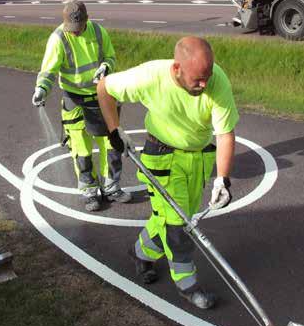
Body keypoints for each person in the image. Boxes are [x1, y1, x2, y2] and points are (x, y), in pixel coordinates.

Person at [97, 36, 239, 309]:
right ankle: (188, 285)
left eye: (207, 76)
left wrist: (222, 178)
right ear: (177, 69)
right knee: (178, 225)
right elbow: (104, 88)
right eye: (198, 79)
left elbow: (224, 133)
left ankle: (139, 253)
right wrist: (115, 130)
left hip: (197, 157)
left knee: (172, 218)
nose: (204, 84)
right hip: (161, 156)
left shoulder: (216, 81)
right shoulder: (150, 76)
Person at [33, 0, 131, 211]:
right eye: (72, 29)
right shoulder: (58, 38)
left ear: (86, 20)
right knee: (81, 147)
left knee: (111, 144)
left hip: (101, 96)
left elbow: (111, 57)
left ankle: (111, 187)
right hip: (74, 98)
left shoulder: (98, 31)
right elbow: (49, 70)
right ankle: (89, 190)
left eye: (78, 29)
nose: (75, 33)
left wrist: (105, 67)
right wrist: (41, 89)